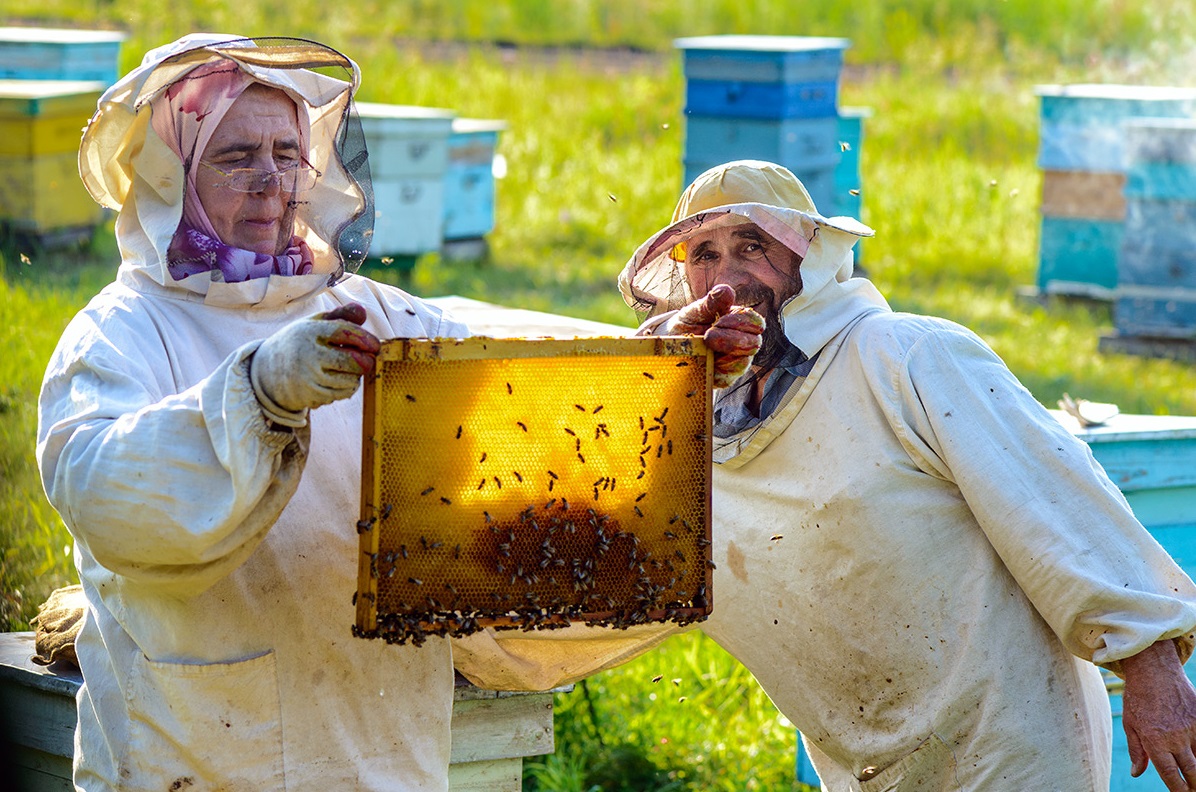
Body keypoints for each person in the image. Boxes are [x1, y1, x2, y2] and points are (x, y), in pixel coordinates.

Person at [452, 160, 1196, 792]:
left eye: (752, 245)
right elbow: (587, 542)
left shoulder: (905, 357)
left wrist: (1151, 665)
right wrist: (463, 649)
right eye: (704, 255)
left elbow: (1055, 503)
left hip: (1010, 741)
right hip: (864, 764)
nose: (728, 273)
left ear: (806, 257)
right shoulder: (689, 437)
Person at [35, 34, 478, 791]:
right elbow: (105, 495)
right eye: (236, 157)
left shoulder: (372, 312)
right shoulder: (119, 334)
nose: (272, 181)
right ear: (172, 177)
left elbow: (512, 374)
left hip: (386, 751)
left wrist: (665, 352)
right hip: (194, 760)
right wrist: (258, 391)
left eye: (287, 153)